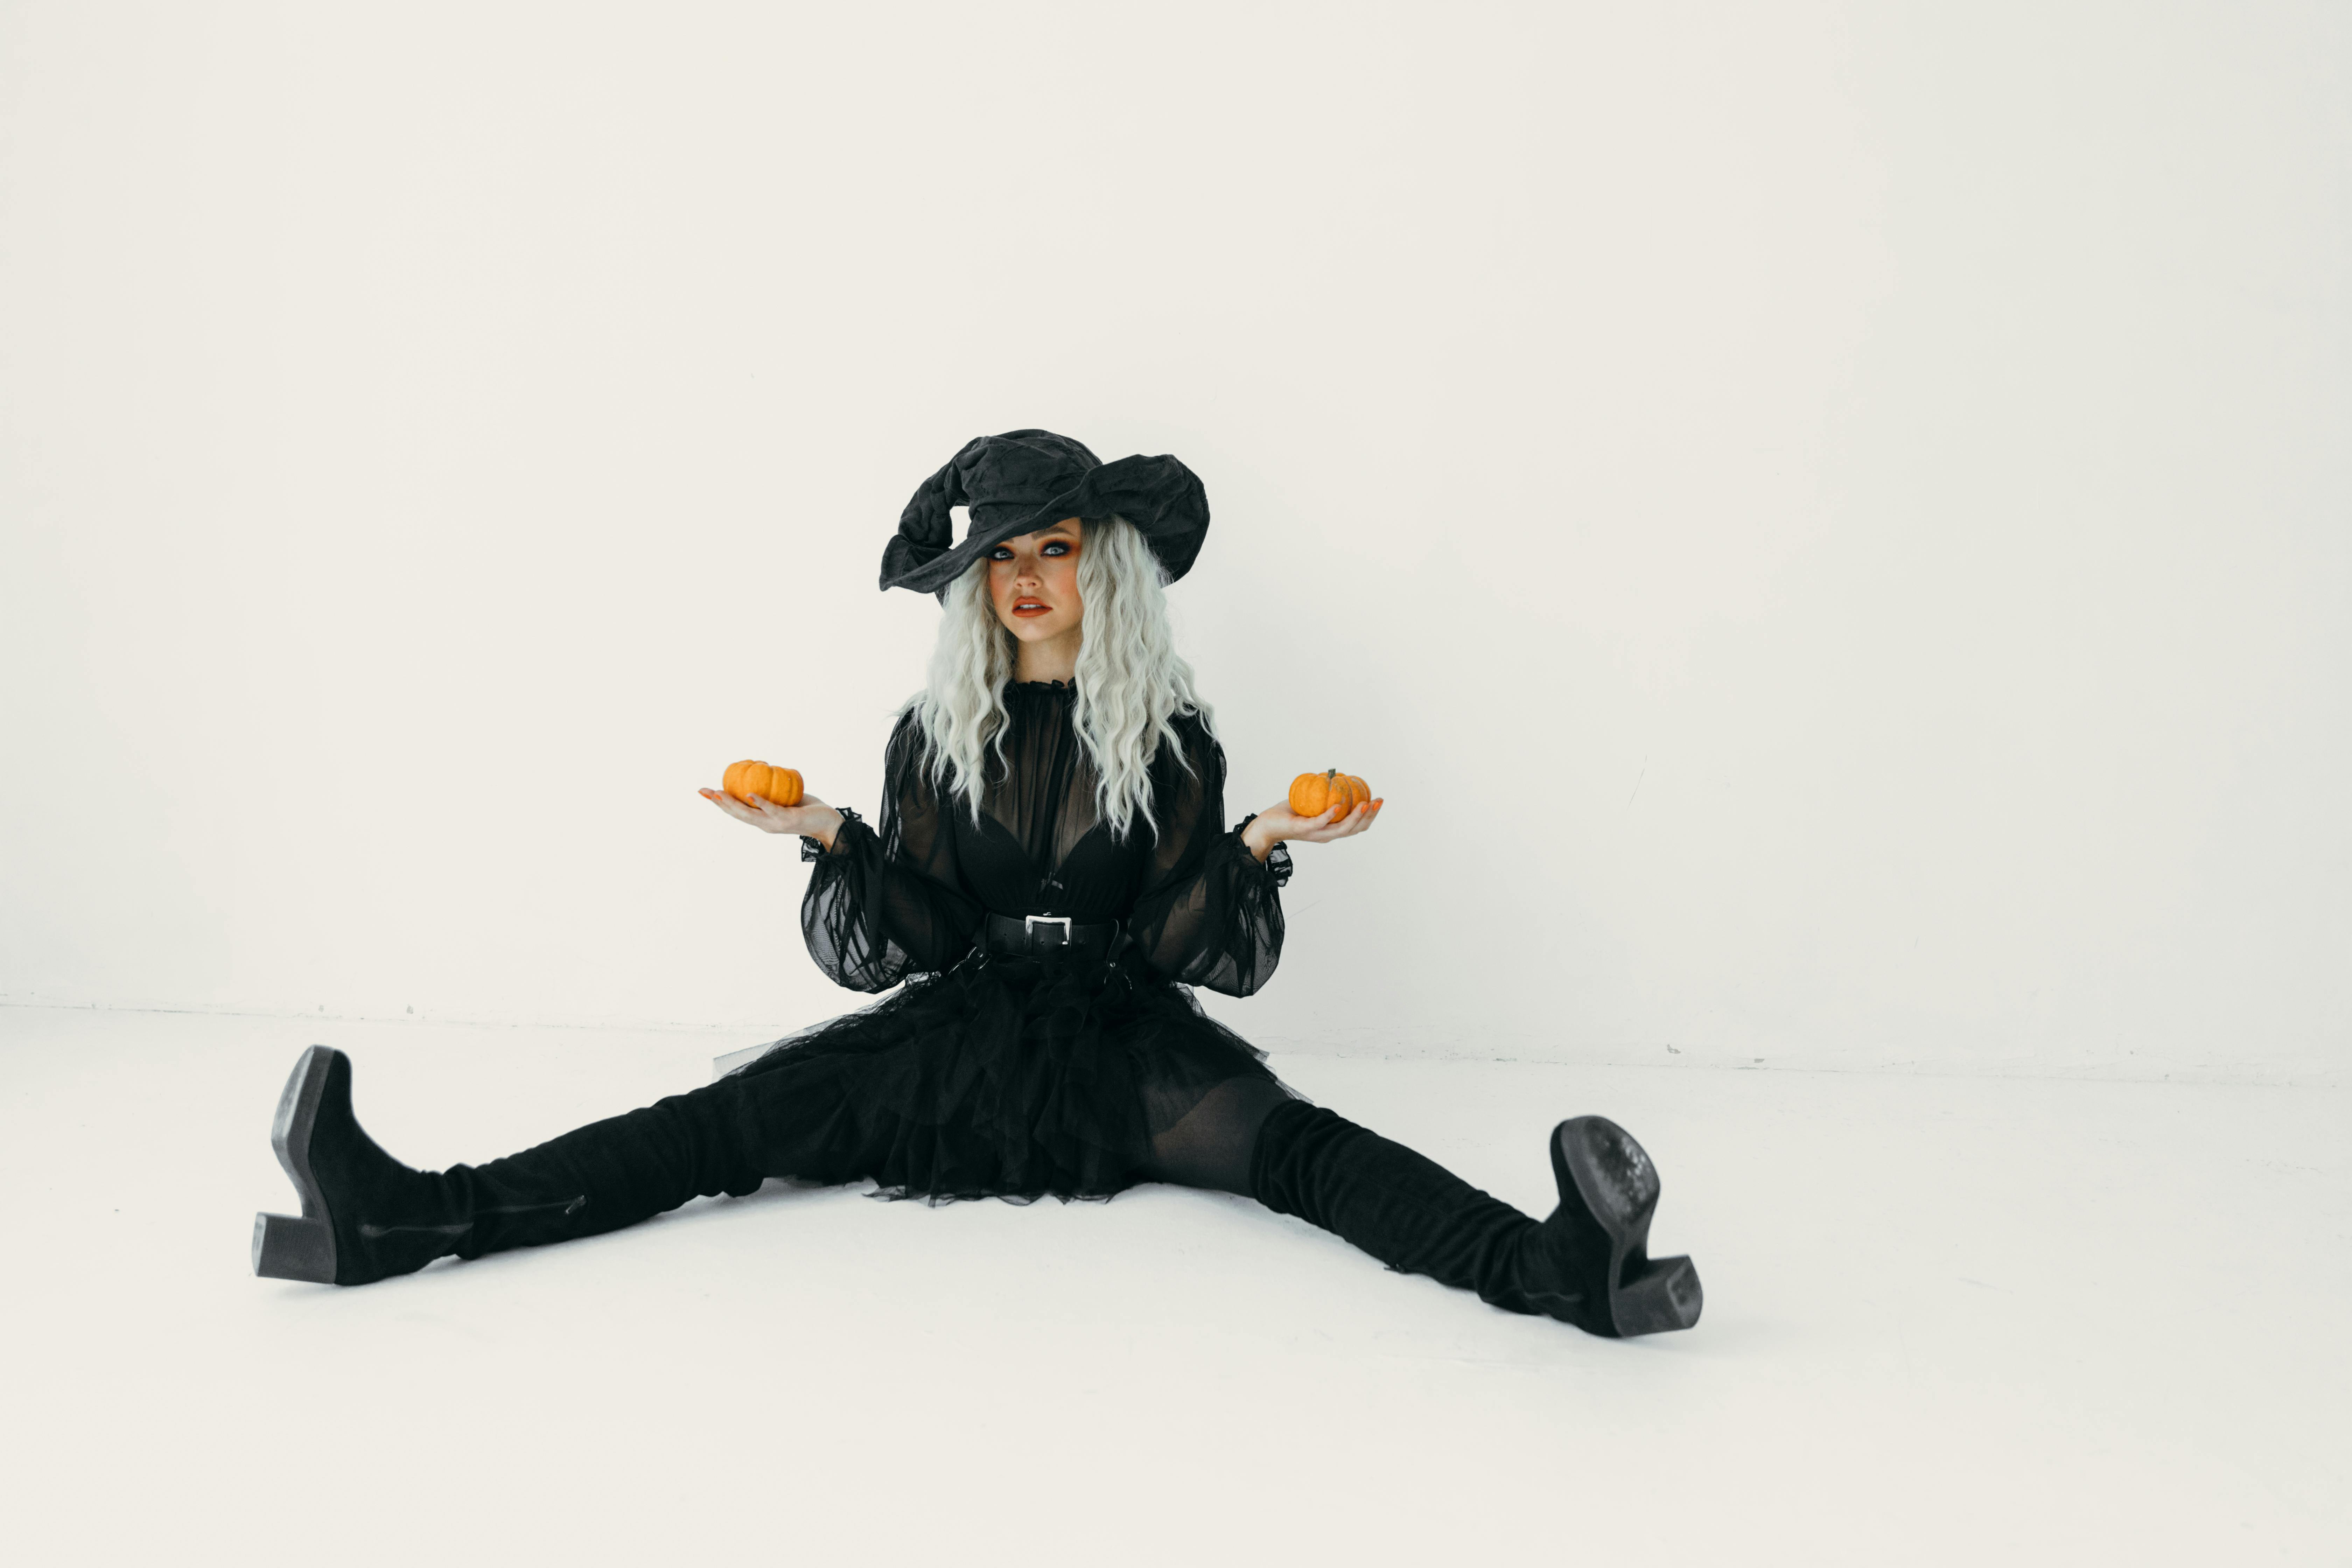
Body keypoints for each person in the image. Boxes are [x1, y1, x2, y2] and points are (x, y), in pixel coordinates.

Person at [252, 429, 1702, 1338]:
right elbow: (922, 933)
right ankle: (403, 1217)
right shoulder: (937, 735)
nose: (1022, 580)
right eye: (999, 558)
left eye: (1052, 551)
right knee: (722, 1126)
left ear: (1101, 570)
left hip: (1127, 1038)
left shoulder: (1172, 734)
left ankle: (1564, 1271)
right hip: (963, 1029)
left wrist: (1260, 840)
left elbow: (1184, 937)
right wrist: (829, 832)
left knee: (1305, 1157)